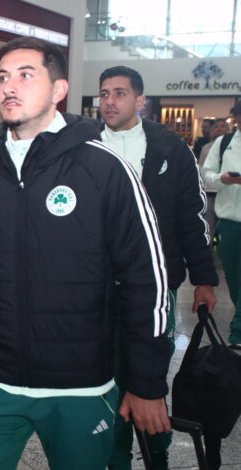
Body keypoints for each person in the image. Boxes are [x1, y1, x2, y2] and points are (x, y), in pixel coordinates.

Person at [0, 37, 171, 470]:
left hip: (80, 385)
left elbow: (146, 279)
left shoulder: (104, 168)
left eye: (26, 75)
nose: (9, 86)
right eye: (3, 76)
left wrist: (146, 382)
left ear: (58, 90)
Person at [97, 65, 218, 470]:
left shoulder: (169, 148)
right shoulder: (84, 145)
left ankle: (157, 452)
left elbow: (191, 218)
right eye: (104, 94)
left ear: (140, 100)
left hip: (155, 285)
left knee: (149, 371)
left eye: (119, 93)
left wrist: (204, 279)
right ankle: (115, 457)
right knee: (105, 377)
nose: (110, 101)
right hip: (97, 285)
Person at [202, 101, 241, 350]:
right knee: (233, 278)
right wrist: (222, 179)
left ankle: (238, 333)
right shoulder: (224, 143)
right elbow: (206, 174)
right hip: (228, 222)